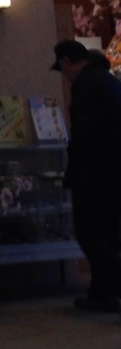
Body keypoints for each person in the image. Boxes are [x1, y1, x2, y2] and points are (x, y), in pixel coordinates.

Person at [51, 39, 121, 311]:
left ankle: (112, 287)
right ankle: (101, 293)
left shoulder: (85, 85)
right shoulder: (109, 81)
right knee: (108, 233)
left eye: (62, 69)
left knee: (90, 233)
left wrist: (74, 160)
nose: (65, 76)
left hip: (94, 174)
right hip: (115, 173)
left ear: (67, 62)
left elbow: (85, 132)